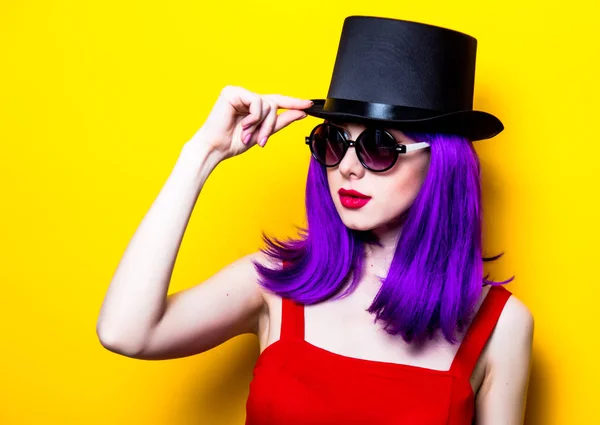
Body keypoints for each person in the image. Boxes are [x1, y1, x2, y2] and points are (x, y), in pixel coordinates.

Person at [96, 15, 534, 425]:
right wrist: (202, 154)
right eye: (334, 140)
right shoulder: (273, 285)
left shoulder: (500, 324)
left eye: (379, 146)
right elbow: (125, 332)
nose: (347, 167)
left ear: (441, 163)